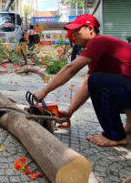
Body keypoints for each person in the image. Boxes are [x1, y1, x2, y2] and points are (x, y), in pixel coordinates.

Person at [34, 14, 131, 147]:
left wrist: (44, 91)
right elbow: (86, 83)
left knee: (98, 81)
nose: (74, 35)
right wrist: (70, 111)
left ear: (90, 29)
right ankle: (130, 125)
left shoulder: (99, 41)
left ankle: (115, 136)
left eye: (77, 31)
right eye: (72, 32)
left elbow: (71, 68)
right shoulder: (98, 51)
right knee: (100, 82)